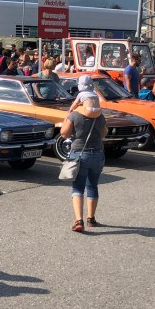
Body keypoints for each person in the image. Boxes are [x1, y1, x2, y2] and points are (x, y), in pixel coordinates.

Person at [60, 94, 107, 233]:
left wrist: (68, 115)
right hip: (98, 153)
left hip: (80, 153)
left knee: (78, 187)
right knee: (93, 185)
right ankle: (91, 219)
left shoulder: (74, 115)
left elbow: (64, 134)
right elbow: (104, 134)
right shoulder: (100, 117)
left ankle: (79, 220)